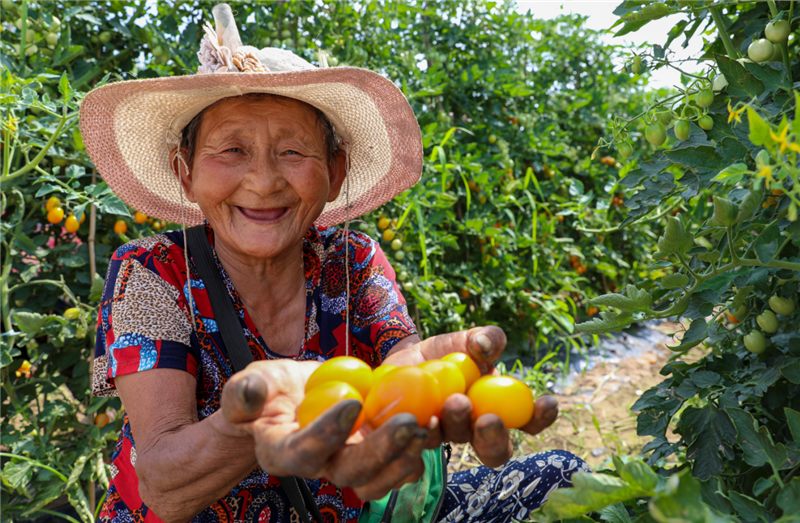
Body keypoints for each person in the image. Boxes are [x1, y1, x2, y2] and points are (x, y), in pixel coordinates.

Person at [81, 5, 588, 523]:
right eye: (231, 149)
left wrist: (413, 395)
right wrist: (257, 422)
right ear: (184, 173)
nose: (263, 181)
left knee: (563, 482)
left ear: (336, 171)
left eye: (294, 152)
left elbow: (401, 371)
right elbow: (164, 485)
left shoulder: (353, 261)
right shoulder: (151, 272)